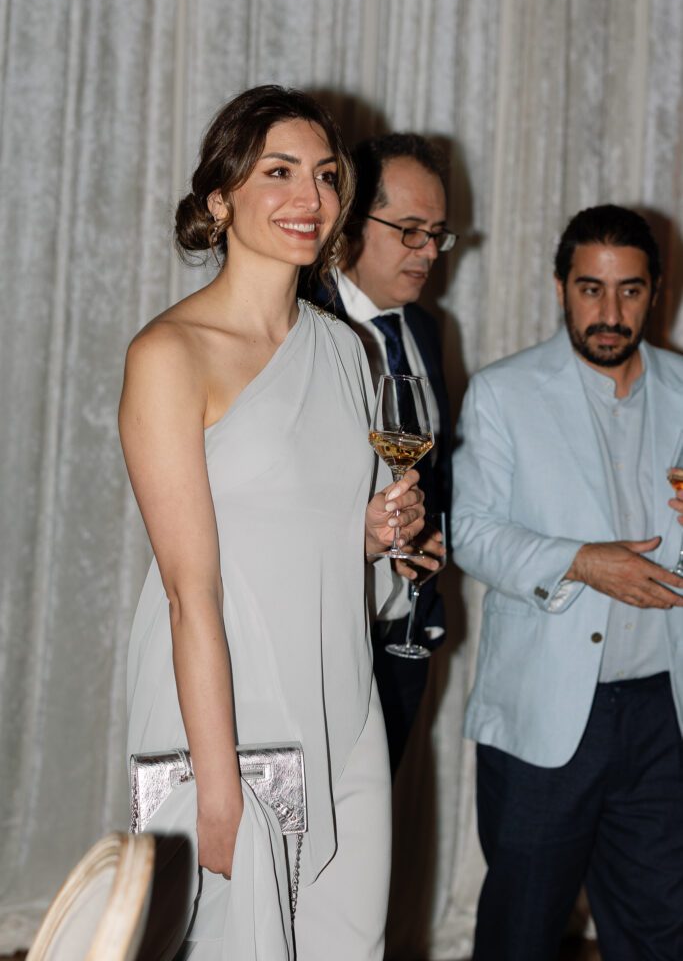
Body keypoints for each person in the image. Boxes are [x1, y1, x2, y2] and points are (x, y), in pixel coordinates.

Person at [120, 85, 430, 961]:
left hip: (341, 694)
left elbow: (322, 531)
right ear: (220, 199)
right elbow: (189, 592)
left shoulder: (345, 350)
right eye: (279, 172)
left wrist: (372, 534)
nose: (311, 198)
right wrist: (217, 785)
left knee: (344, 938)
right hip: (225, 707)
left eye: (327, 176)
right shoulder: (168, 354)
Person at [451, 204, 683, 961]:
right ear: (559, 288)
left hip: (662, 713)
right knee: (520, 930)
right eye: (590, 289)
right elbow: (470, 534)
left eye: (628, 291)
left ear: (655, 291)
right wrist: (582, 560)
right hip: (544, 713)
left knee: (659, 931)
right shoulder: (502, 393)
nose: (608, 312)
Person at [309, 133, 454, 776]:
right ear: (349, 221)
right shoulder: (300, 324)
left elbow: (432, 472)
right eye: (411, 230)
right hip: (316, 644)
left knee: (375, 856)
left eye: (439, 235)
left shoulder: (426, 328)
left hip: (402, 640)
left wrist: (432, 539)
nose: (428, 253)